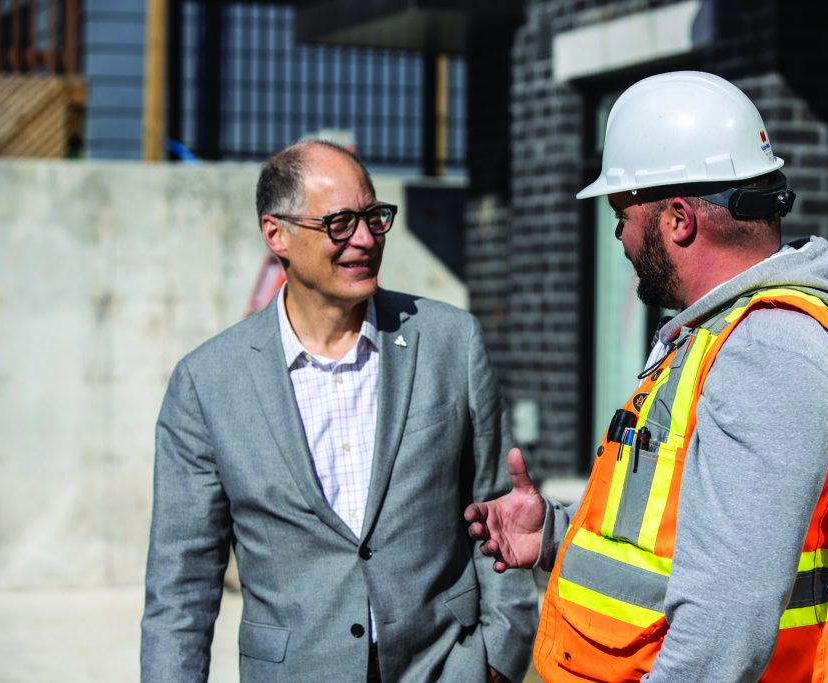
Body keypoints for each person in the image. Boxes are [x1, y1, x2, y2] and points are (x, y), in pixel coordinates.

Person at [465, 71, 828, 683]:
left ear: (676, 219)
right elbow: (683, 542)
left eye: (622, 212)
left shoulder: (769, 352)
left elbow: (726, 619)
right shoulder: (719, 335)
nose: (618, 234)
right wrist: (556, 535)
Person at [141, 140, 537, 682]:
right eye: (340, 223)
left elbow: (498, 508)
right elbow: (180, 586)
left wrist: (498, 659)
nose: (366, 239)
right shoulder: (207, 383)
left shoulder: (451, 341)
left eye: (374, 217)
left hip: (447, 667)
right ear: (275, 233)